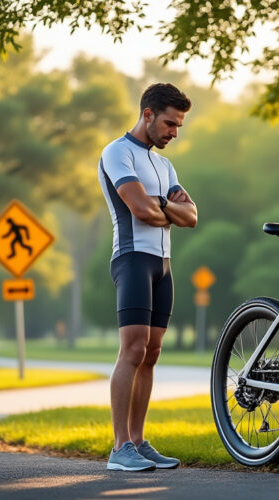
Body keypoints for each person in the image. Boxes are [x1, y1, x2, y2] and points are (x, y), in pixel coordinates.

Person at [98, 83, 197, 472]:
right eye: (170, 124)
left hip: (163, 264)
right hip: (132, 259)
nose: (174, 133)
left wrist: (161, 204)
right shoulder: (117, 152)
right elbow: (139, 210)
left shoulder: (166, 166)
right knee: (133, 350)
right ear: (147, 115)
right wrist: (165, 206)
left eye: (179, 126)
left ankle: (138, 442)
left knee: (152, 353)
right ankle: (119, 447)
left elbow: (192, 217)